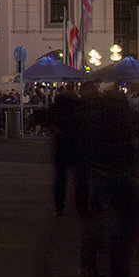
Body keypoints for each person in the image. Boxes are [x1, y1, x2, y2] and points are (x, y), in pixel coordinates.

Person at [78, 84, 139, 277]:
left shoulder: (96, 118)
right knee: (121, 232)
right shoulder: (116, 120)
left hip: (102, 175)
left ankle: (90, 265)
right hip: (116, 178)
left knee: (100, 222)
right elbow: (125, 149)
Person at [48, 83, 86, 215]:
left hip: (61, 145)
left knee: (61, 178)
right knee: (79, 178)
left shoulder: (57, 106)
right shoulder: (77, 106)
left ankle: (59, 207)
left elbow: (49, 120)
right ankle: (81, 207)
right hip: (75, 144)